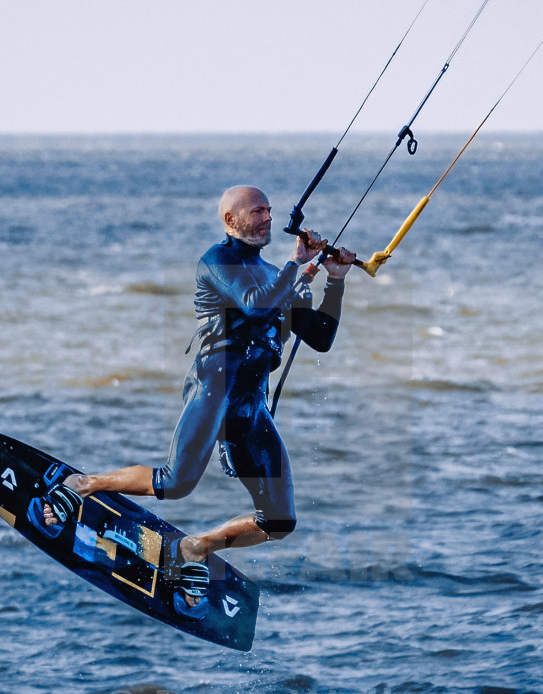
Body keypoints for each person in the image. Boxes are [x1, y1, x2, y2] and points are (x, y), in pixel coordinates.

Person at [40, 185, 355, 609]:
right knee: (177, 482)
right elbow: (257, 307)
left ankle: (197, 546)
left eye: (269, 210)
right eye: (257, 211)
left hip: (249, 402)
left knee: (280, 520)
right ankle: (83, 485)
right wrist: (295, 264)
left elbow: (319, 338)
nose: (267, 218)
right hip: (214, 386)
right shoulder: (218, 261)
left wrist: (333, 283)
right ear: (231, 220)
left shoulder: (272, 274)